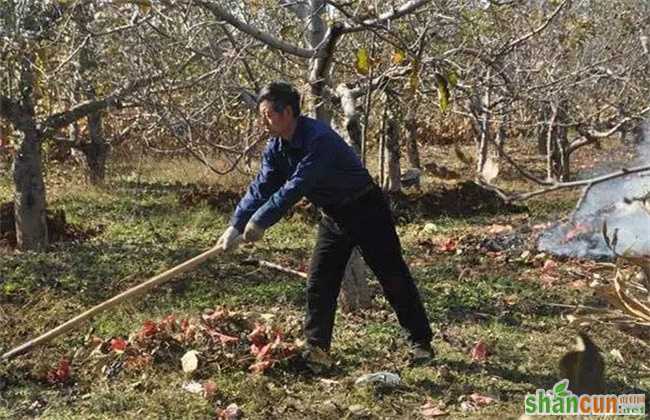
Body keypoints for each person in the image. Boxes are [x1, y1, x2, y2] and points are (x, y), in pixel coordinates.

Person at [216, 81, 434, 367]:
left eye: (268, 114)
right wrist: (237, 224)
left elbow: (297, 185)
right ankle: (317, 349)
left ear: (288, 112)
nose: (264, 121)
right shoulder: (276, 148)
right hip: (334, 215)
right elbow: (262, 186)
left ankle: (421, 344)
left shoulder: (319, 139)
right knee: (320, 281)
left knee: (391, 275)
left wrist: (261, 221)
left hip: (366, 209)